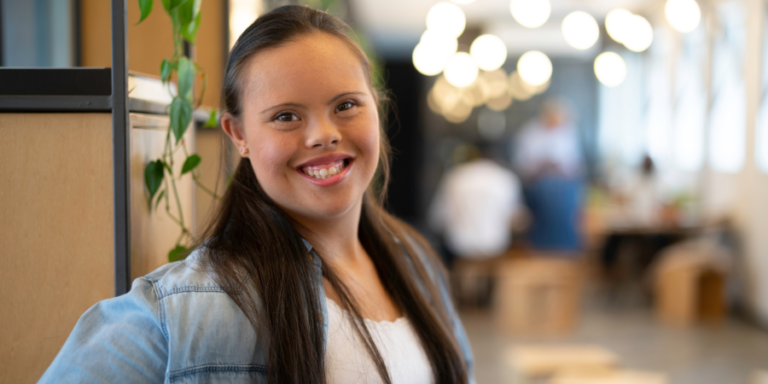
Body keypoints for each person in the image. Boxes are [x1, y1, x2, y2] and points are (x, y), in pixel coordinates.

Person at [39, 6, 474, 384]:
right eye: (286, 116)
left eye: (346, 105)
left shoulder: (415, 264)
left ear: (375, 107)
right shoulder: (189, 308)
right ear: (239, 134)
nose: (324, 134)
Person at [513, 99, 584, 252]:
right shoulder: (529, 133)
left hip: (564, 185)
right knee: (547, 195)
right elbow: (523, 166)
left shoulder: (569, 132)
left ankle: (568, 250)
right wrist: (544, 165)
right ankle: (542, 247)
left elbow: (575, 165)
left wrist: (560, 168)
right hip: (537, 184)